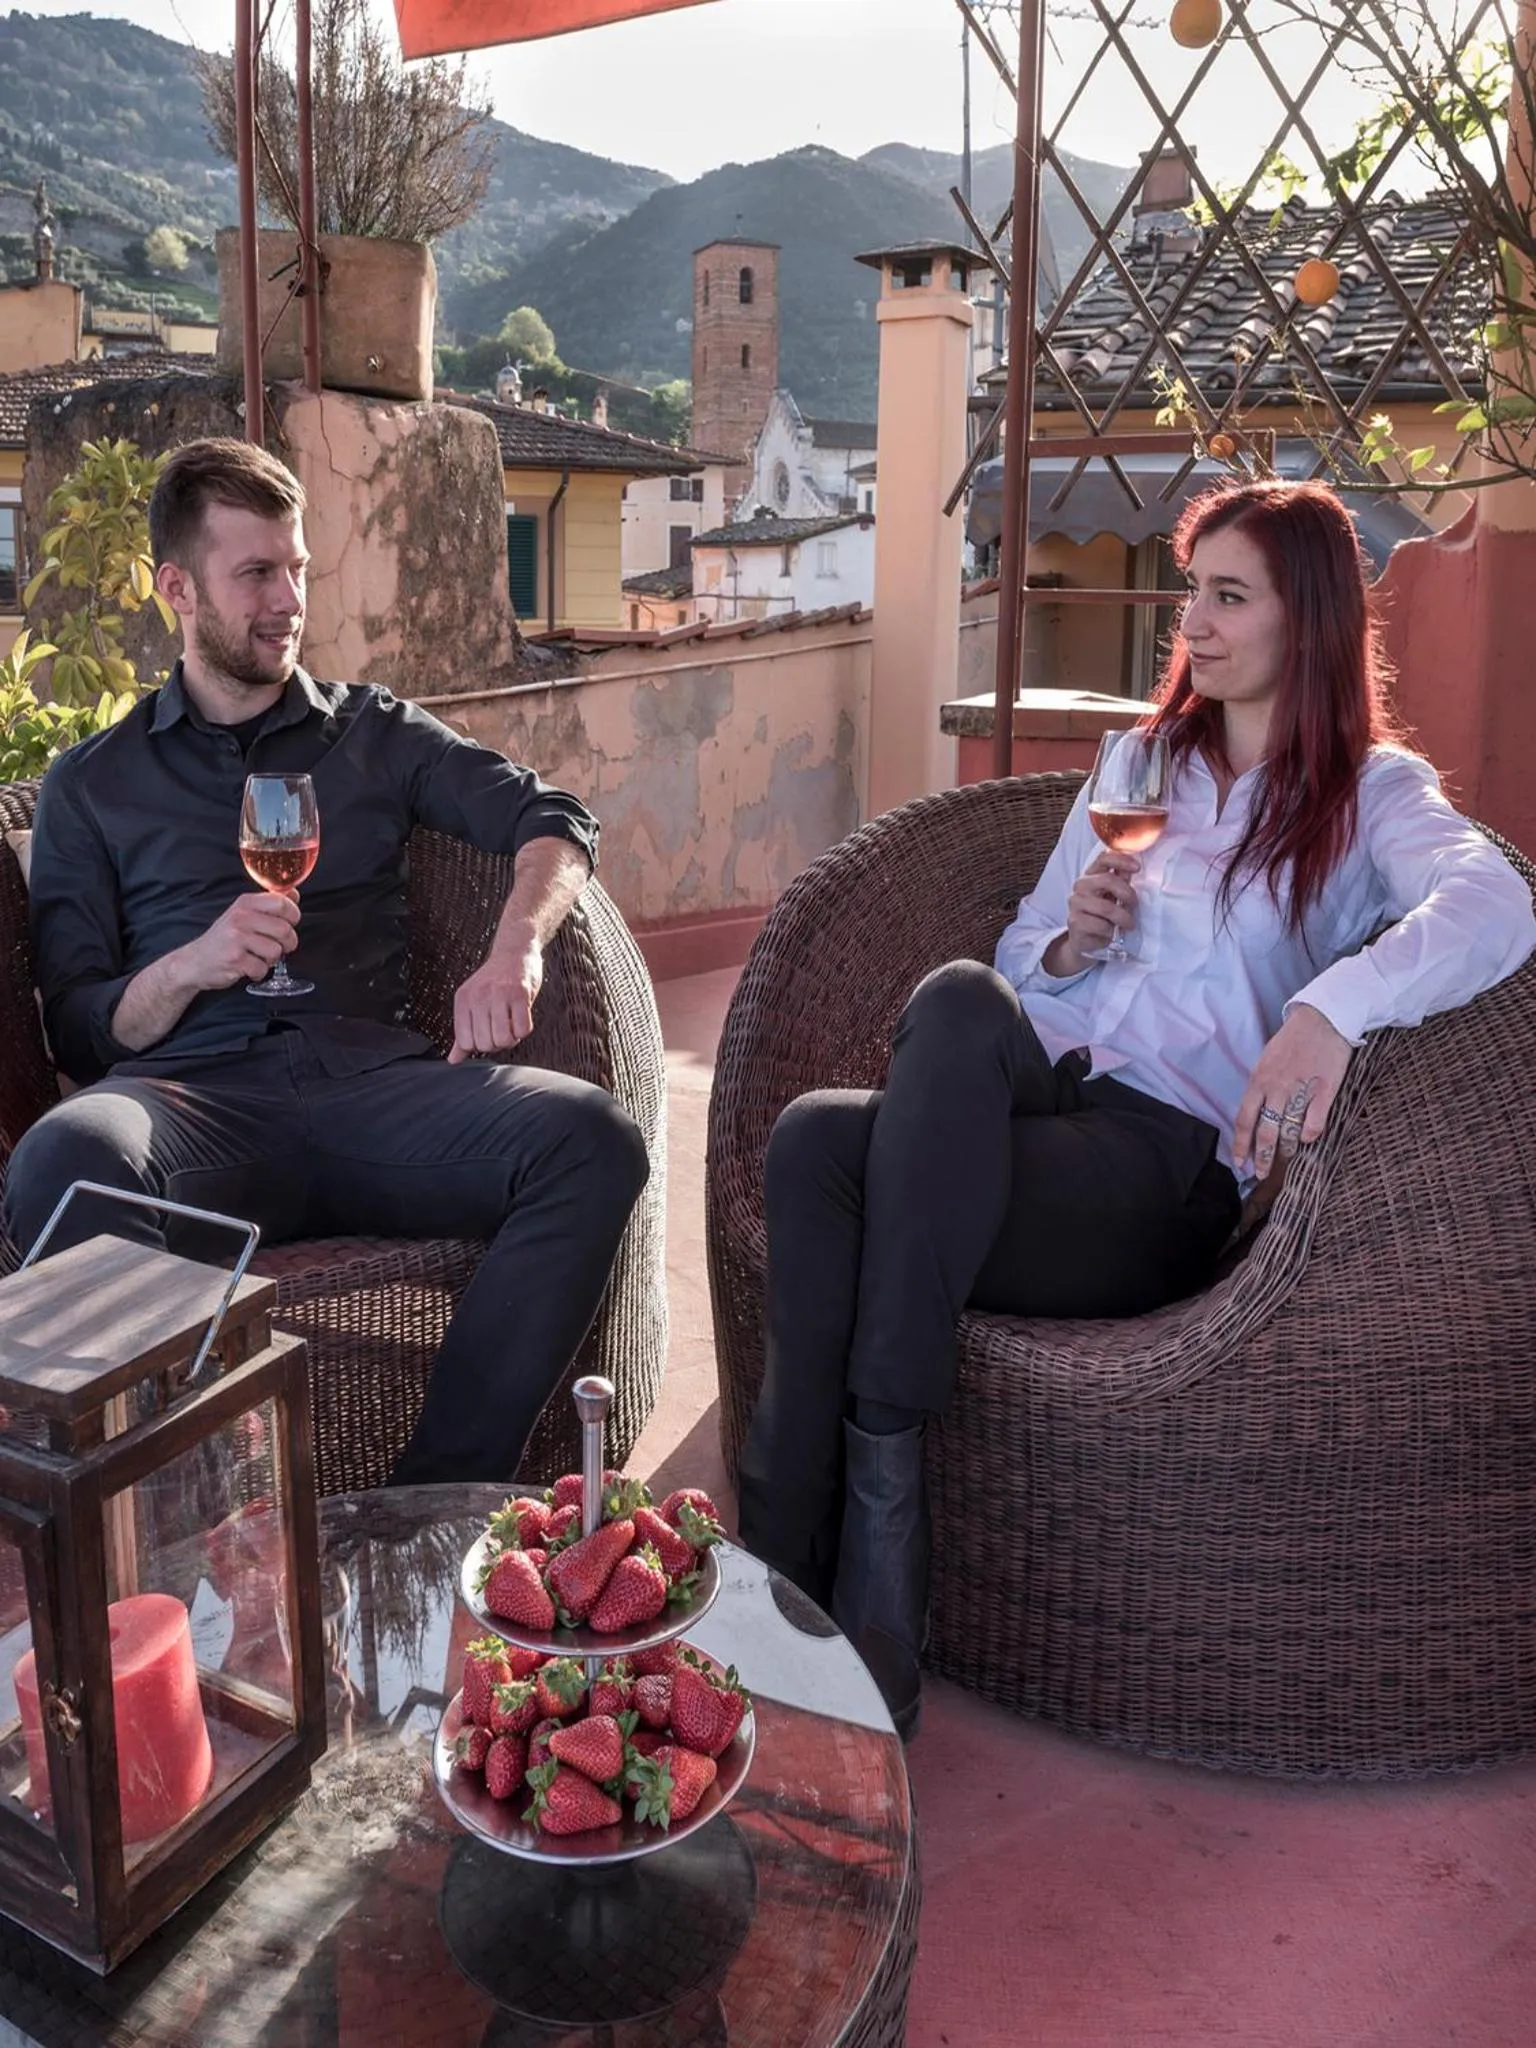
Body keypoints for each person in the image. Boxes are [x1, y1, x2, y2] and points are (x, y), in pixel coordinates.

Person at [736, 478, 1536, 1740]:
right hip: (1043, 1097)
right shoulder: (1141, 759)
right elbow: (1017, 951)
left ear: (1309, 618)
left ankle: (817, 1554)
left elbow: (1497, 904)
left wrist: (1334, 1006)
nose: (1194, 625)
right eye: (1190, 593)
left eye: (1229, 596)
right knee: (942, 1008)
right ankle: (835, 1542)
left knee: (827, 1150)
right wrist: (1070, 944)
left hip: (1164, 1172)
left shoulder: (1369, 794)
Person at [4, 436, 649, 1485]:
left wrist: (514, 950)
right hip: (191, 1104)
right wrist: (194, 964)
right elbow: (76, 1025)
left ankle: (434, 1497)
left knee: (592, 1140)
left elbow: (554, 816)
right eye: (257, 572)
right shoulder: (94, 782)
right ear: (178, 587)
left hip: (375, 1094)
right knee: (63, 1157)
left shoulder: (373, 733)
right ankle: (195, 1514)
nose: (288, 599)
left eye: (297, 568)